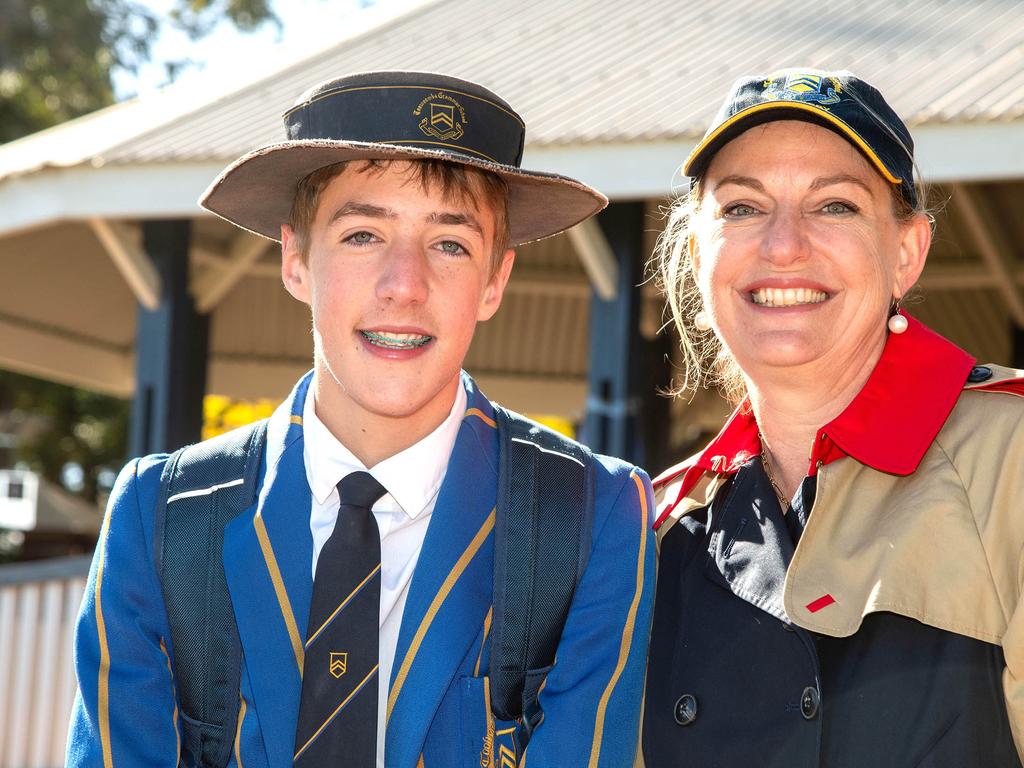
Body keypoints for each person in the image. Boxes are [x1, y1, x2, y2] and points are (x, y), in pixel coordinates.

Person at [67, 71, 655, 768]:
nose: (404, 284)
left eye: (451, 244)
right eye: (362, 234)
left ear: (494, 281)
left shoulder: (590, 518)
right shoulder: (163, 516)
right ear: (295, 260)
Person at [641, 68, 1024, 766]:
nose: (783, 245)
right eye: (742, 209)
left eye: (835, 207)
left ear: (906, 252)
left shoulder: (1011, 459)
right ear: (699, 258)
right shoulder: (654, 531)